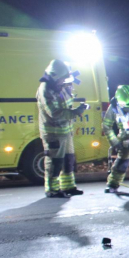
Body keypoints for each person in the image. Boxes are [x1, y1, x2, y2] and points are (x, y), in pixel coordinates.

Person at [36, 59, 88, 198]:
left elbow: (67, 103)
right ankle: (52, 189)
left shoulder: (60, 86)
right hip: (53, 133)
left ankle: (68, 187)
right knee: (55, 161)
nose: (63, 81)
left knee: (68, 160)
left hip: (65, 131)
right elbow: (54, 112)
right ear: (54, 76)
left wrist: (76, 107)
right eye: (62, 79)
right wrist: (74, 113)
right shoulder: (45, 89)